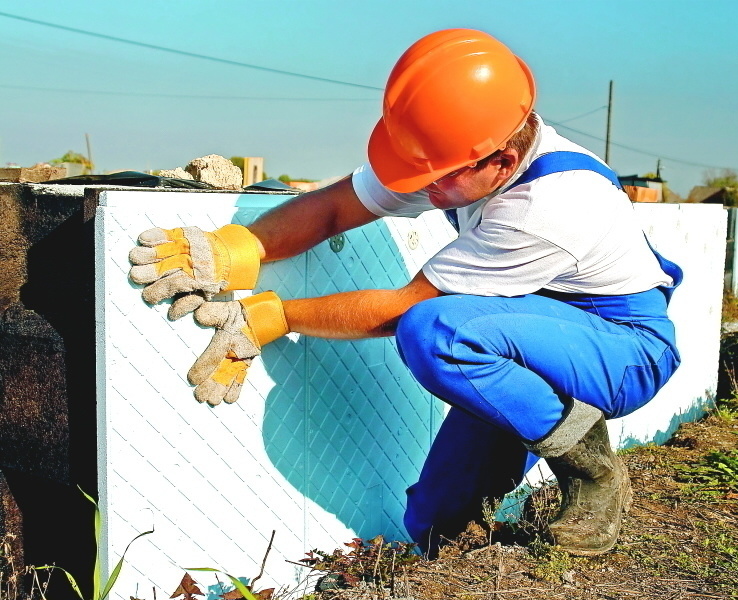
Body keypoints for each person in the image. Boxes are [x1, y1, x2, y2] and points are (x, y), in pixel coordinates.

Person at [129, 28, 682, 558]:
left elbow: (409, 308)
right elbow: (334, 206)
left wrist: (273, 317)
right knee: (435, 519)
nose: (422, 189)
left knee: (434, 330)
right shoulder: (461, 158)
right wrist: (241, 247)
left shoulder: (548, 205)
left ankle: (593, 473)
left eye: (437, 178)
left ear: (504, 162)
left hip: (621, 344)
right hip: (521, 332)